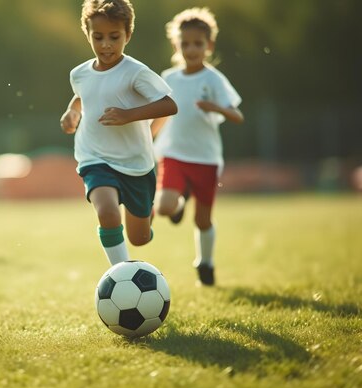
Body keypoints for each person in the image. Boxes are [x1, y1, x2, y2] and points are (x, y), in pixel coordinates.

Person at [60, 0, 178, 265]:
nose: (106, 45)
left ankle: (150, 213)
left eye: (114, 37)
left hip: (136, 163)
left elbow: (169, 105)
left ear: (128, 34)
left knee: (140, 238)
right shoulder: (79, 73)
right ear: (87, 33)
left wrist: (128, 116)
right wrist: (72, 113)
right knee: (107, 212)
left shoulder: (136, 72)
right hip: (95, 157)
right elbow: (82, 96)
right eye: (98, 37)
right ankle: (121, 272)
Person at [151, 7, 244, 286]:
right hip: (173, 154)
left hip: (205, 159)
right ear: (176, 45)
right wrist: (147, 138)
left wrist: (215, 107)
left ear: (209, 45)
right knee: (165, 206)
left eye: (198, 44)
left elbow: (238, 116)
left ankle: (205, 263)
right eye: (185, 43)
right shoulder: (168, 78)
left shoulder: (213, 80)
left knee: (202, 220)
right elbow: (160, 115)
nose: (191, 49)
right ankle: (178, 203)